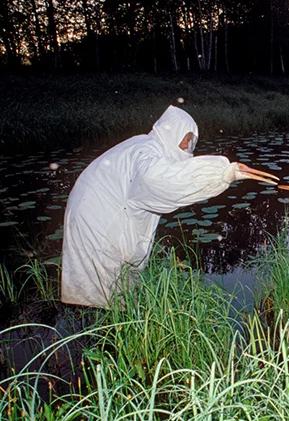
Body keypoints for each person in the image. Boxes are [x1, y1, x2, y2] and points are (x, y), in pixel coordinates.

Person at [60, 105, 277, 308]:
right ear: (172, 133)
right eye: (186, 139)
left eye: (192, 141)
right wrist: (222, 172)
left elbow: (167, 178)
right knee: (104, 288)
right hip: (99, 220)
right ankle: (104, 332)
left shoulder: (146, 145)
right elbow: (159, 181)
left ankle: (100, 328)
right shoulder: (147, 152)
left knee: (107, 288)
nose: (188, 147)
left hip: (94, 212)